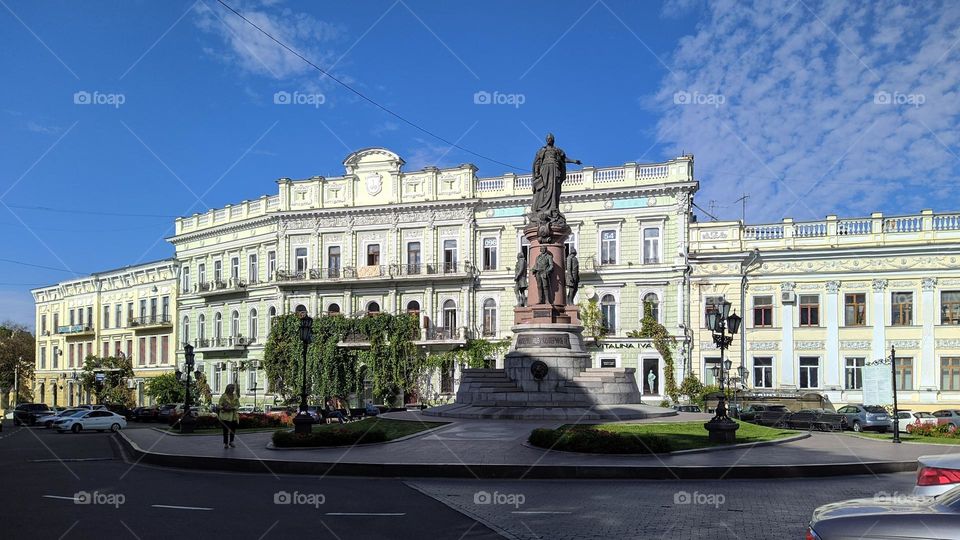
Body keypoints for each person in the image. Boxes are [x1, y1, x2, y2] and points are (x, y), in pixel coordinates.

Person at [218, 383, 239, 449]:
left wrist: (233, 408)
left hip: (233, 416)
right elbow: (219, 405)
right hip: (225, 416)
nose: (232, 390)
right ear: (228, 389)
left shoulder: (235, 396)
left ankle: (231, 441)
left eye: (233, 389)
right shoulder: (224, 396)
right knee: (225, 431)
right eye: (231, 388)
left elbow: (238, 405)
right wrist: (224, 407)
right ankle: (226, 443)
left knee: (233, 430)